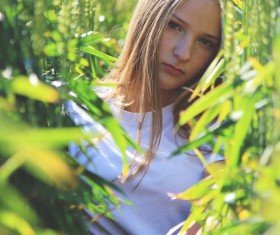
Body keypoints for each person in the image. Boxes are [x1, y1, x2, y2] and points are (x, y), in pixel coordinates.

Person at [66, 0, 223, 234]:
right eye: (174, 26)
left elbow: (206, 225)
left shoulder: (215, 132)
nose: (183, 53)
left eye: (205, 42)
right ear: (148, 18)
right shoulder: (75, 107)